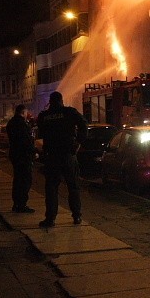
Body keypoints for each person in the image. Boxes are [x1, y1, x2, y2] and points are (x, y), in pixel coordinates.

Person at [37, 91, 87, 228]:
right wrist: (78, 142)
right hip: (68, 155)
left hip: (52, 156)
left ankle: (50, 219)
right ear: (61, 100)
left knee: (51, 188)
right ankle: (76, 216)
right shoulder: (69, 112)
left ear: (50, 101)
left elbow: (39, 131)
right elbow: (84, 125)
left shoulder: (44, 116)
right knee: (73, 187)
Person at [7, 104, 35, 213]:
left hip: (15, 155)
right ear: (23, 112)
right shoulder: (22, 124)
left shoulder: (11, 123)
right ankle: (22, 204)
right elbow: (27, 141)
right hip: (24, 156)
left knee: (17, 180)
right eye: (26, 112)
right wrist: (33, 152)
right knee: (25, 180)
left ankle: (16, 204)